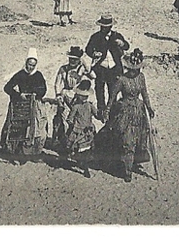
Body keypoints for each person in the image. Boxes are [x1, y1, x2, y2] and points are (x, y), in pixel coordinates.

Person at [96, 48, 154, 182]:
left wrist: (149, 107)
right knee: (127, 140)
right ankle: (127, 170)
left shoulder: (141, 77)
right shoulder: (121, 80)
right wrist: (107, 110)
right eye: (134, 69)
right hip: (125, 112)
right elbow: (112, 97)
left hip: (139, 112)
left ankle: (133, 162)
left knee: (139, 139)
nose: (136, 71)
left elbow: (145, 93)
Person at [0, 52, 49, 157]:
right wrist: (18, 95)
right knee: (16, 125)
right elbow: (7, 88)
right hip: (21, 104)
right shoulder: (20, 74)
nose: (31, 67)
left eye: (33, 65)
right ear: (26, 63)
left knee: (38, 125)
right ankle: (11, 148)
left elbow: (44, 89)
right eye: (29, 64)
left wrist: (36, 93)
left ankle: (34, 150)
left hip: (34, 104)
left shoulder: (39, 75)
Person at [85, 14, 130, 115]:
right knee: (99, 89)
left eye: (106, 27)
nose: (104, 28)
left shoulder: (117, 36)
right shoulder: (96, 37)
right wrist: (94, 54)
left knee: (113, 89)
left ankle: (112, 110)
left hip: (114, 67)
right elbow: (88, 49)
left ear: (111, 27)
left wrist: (122, 44)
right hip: (101, 67)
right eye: (102, 26)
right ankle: (101, 109)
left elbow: (127, 46)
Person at [62, 80, 99, 178]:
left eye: (85, 96)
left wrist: (103, 113)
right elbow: (70, 119)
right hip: (78, 131)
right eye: (82, 95)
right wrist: (73, 125)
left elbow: (97, 115)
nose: (84, 97)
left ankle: (84, 165)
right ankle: (84, 166)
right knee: (80, 150)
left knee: (86, 151)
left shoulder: (90, 106)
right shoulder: (76, 107)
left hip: (88, 131)